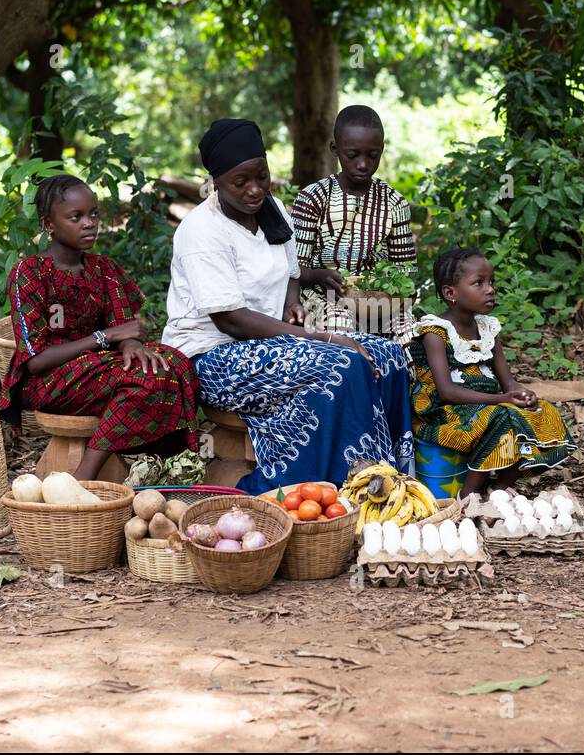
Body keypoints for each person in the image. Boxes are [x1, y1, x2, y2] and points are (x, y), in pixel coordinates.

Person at [162, 118, 414, 494]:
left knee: (389, 355)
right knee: (340, 363)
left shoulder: (272, 209)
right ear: (215, 181)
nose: (254, 190)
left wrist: (292, 305)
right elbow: (231, 320)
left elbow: (292, 273)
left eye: (261, 176)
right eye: (240, 182)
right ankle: (316, 487)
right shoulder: (202, 231)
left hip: (269, 341)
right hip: (213, 356)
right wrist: (322, 337)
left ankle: (391, 482)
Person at [0, 174, 200, 480]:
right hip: (49, 380)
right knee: (144, 380)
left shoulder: (103, 269)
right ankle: (85, 476)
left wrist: (131, 345)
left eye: (93, 214)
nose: (89, 223)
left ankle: (162, 463)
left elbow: (126, 328)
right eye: (76, 217)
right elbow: (36, 360)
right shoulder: (29, 273)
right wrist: (104, 337)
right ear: (48, 225)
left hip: (101, 368)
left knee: (176, 363)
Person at [405, 247, 572, 497]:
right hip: (442, 412)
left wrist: (522, 394)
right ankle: (468, 495)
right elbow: (446, 392)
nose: (490, 289)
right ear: (451, 293)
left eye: (491, 282)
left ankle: (498, 488)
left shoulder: (487, 329)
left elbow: (508, 383)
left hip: (486, 406)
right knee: (501, 418)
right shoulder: (435, 332)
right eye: (478, 283)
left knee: (542, 412)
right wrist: (501, 400)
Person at [291, 105, 415, 329]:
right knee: (340, 324)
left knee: (408, 329)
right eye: (352, 155)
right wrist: (319, 275)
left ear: (382, 150)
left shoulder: (394, 203)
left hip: (377, 299)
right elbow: (294, 268)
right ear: (335, 149)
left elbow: (406, 270)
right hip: (321, 296)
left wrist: (390, 290)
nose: (363, 164)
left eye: (372, 155)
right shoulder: (313, 198)